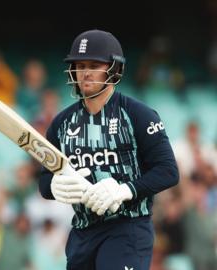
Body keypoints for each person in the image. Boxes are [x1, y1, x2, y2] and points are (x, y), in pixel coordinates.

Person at [39, 29, 179, 270]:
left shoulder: (138, 115)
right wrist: (52, 186)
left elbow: (168, 171)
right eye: (80, 65)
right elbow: (44, 179)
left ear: (113, 69)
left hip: (128, 227)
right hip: (82, 233)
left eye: (94, 64)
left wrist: (125, 190)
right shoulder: (61, 124)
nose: (86, 72)